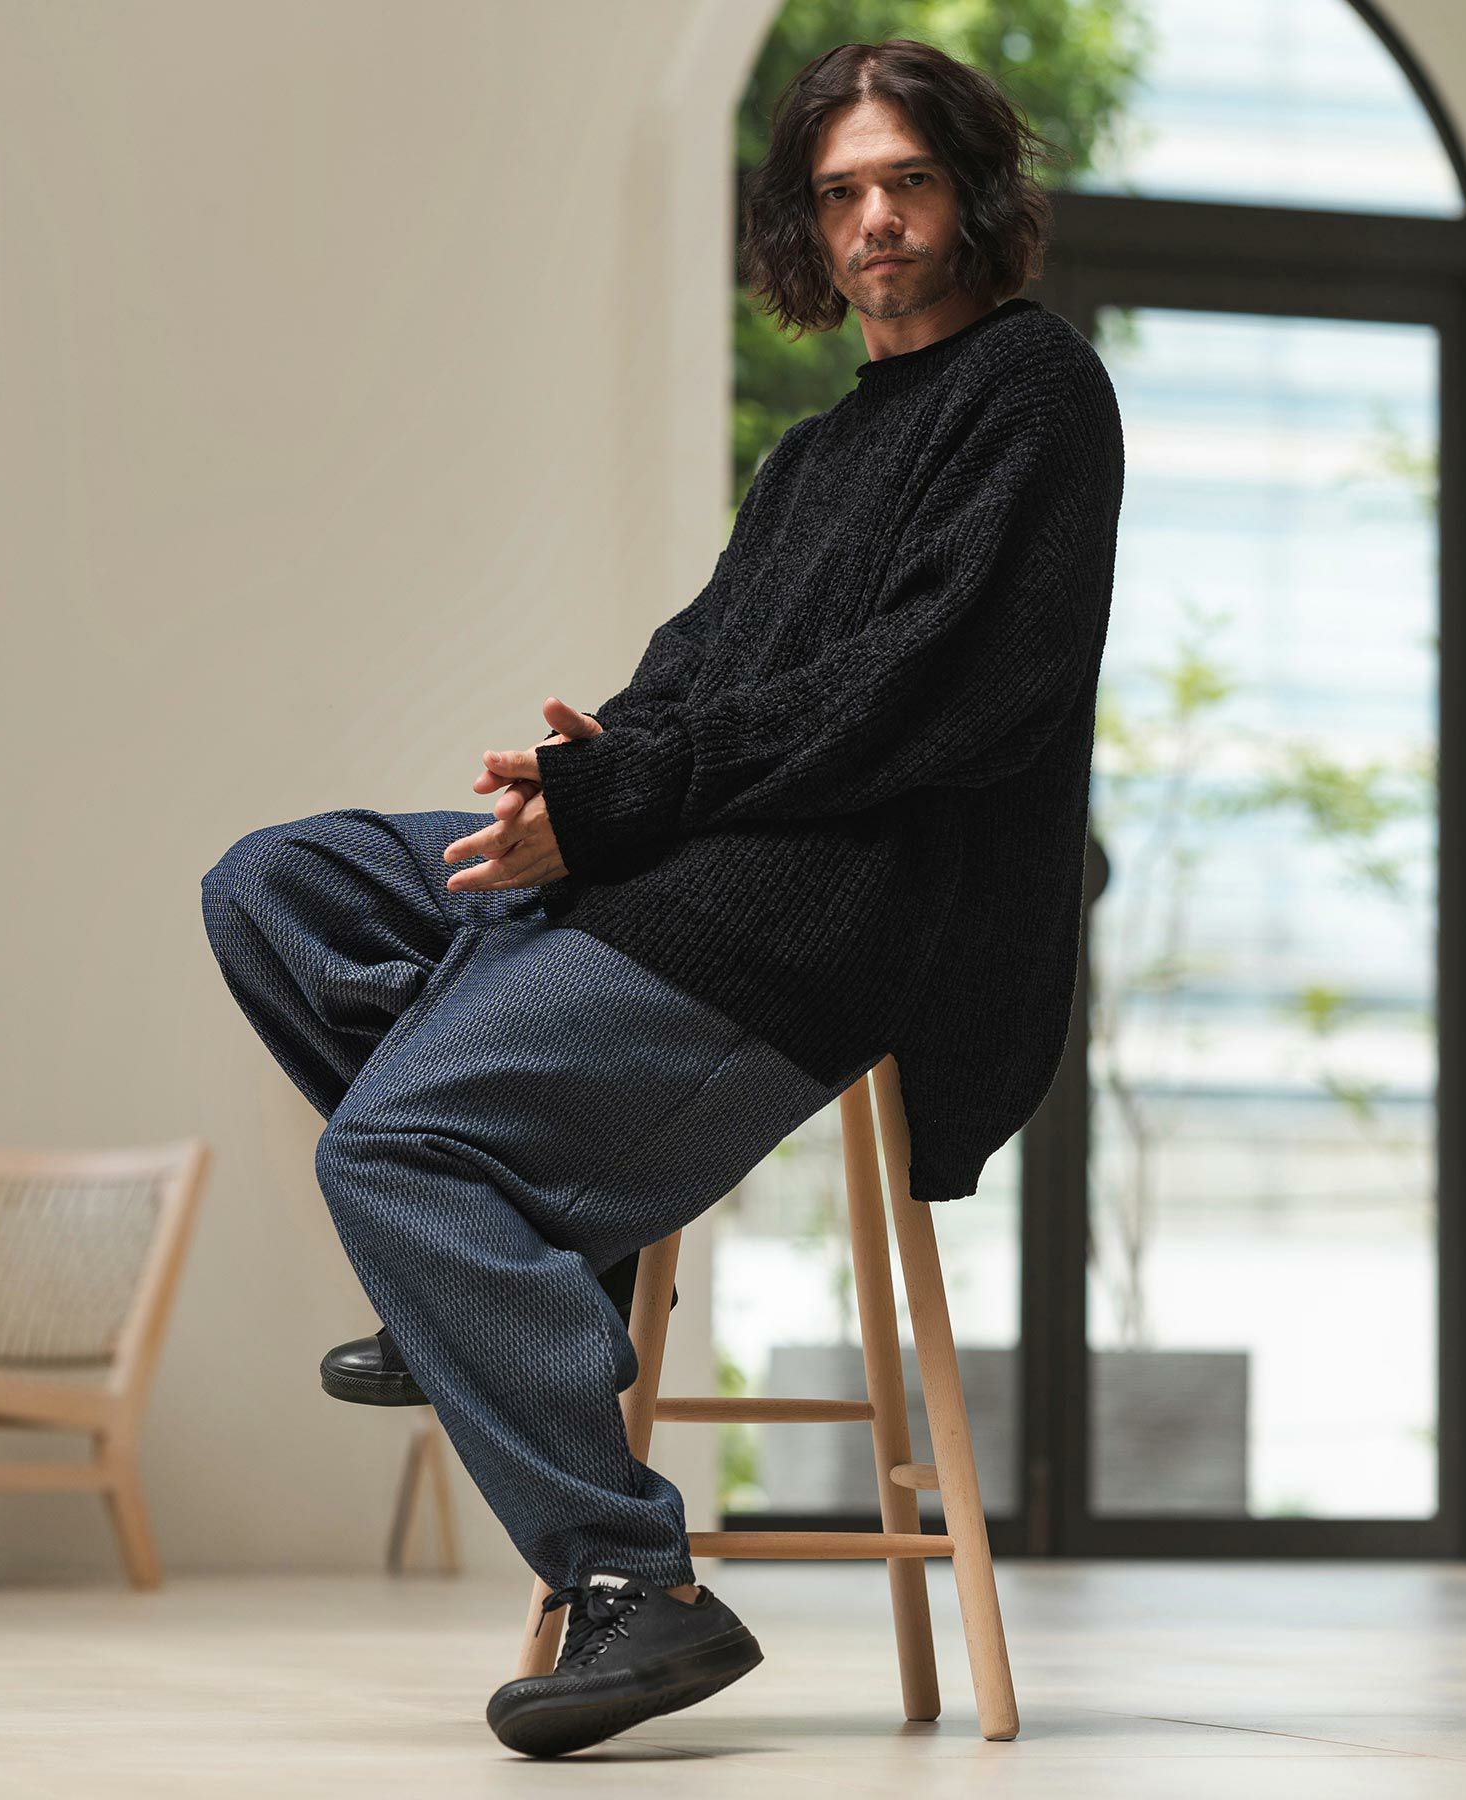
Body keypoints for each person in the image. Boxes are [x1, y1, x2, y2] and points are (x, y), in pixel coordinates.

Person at [200, 36, 1123, 1761]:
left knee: (390, 1154)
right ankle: (520, 1263)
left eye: (908, 181)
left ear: (973, 195)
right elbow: (694, 673)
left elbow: (935, 686)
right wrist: (579, 780)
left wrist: (627, 796)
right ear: (806, 224)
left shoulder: (1037, 391)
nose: (874, 220)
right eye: (840, 193)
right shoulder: (812, 461)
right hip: (692, 868)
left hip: (836, 917)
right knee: (279, 885)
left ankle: (636, 1575)